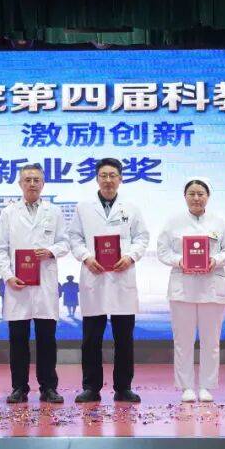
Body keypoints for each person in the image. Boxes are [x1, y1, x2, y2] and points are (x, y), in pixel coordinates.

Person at [67, 158, 150, 403]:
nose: (108, 180)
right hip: (94, 276)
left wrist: (131, 256)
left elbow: (142, 237)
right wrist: (86, 257)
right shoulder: (83, 207)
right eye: (103, 175)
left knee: (124, 339)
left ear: (121, 178)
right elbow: (74, 238)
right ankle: (91, 387)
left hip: (122, 276)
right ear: (96, 178)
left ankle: (123, 388)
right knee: (91, 339)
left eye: (113, 175)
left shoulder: (131, 207)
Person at [155, 178, 225, 403]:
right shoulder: (173, 221)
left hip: (212, 287)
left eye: (201, 194)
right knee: (183, 341)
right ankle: (186, 387)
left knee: (211, 341)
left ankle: (207, 386)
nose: (196, 198)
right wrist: (180, 261)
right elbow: (162, 251)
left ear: (208, 196)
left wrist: (216, 260)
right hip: (183, 287)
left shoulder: (220, 221)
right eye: (192, 193)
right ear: (185, 196)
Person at [0, 163, 70, 404]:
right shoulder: (8, 213)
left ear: (43, 184)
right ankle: (19, 388)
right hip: (18, 285)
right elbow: (0, 249)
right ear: (20, 184)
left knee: (47, 339)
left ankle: (49, 388)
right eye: (27, 180)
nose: (32, 184)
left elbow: (65, 243)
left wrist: (51, 251)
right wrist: (8, 276)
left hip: (45, 284)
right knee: (18, 340)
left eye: (36, 180)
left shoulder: (54, 212)